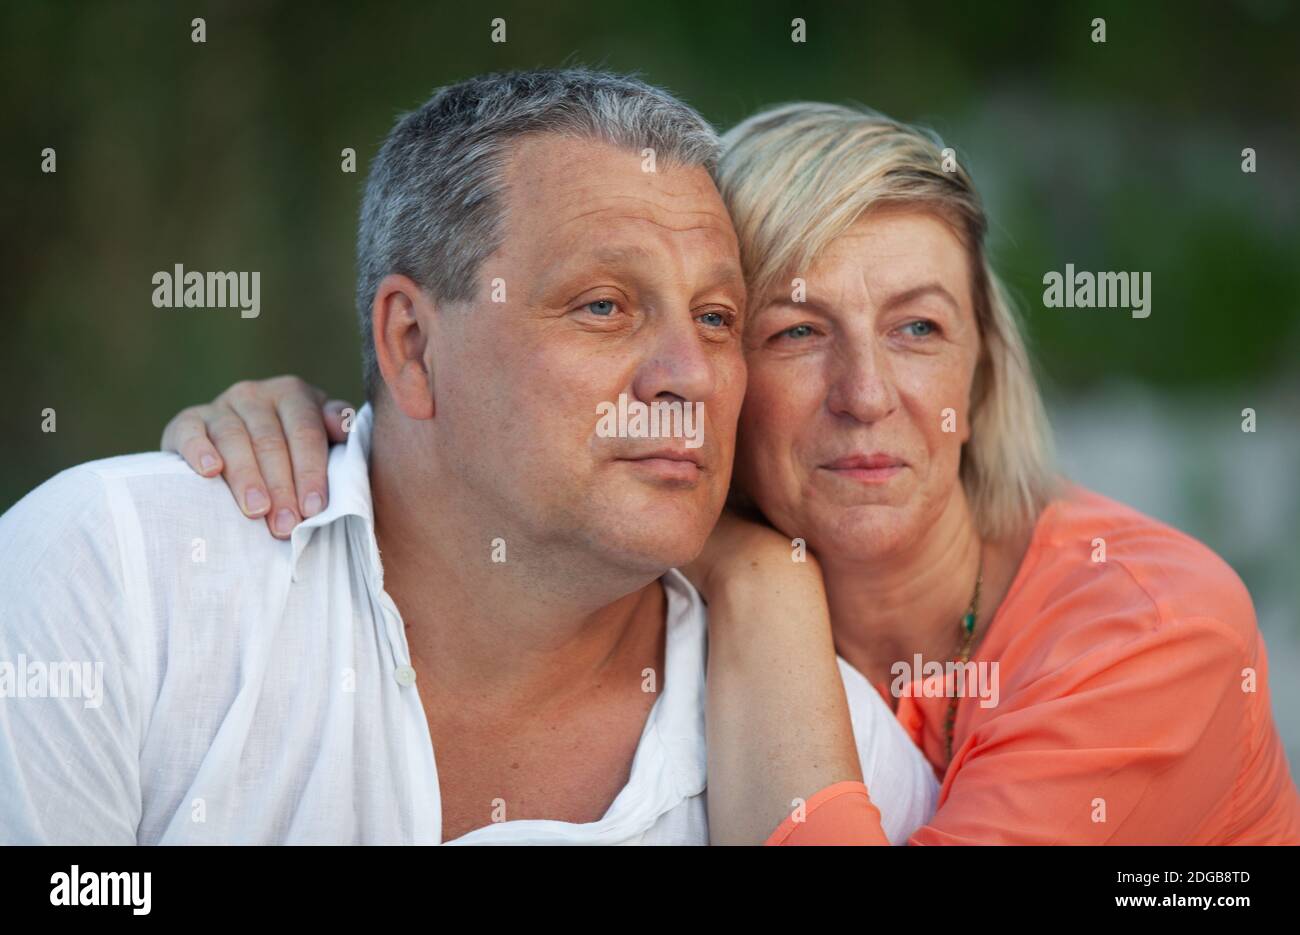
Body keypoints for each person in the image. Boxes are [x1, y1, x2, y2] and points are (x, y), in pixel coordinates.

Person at [176, 100, 1300, 844]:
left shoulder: (1150, 630)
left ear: (985, 374)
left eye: (916, 329)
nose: (867, 392)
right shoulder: (634, 596)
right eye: (795, 332)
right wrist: (325, 429)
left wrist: (758, 586)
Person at [0, 70, 939, 846]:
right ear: (412, 344)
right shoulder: (116, 582)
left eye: (718, 318)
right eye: (603, 304)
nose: (688, 374)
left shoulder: (835, 757)